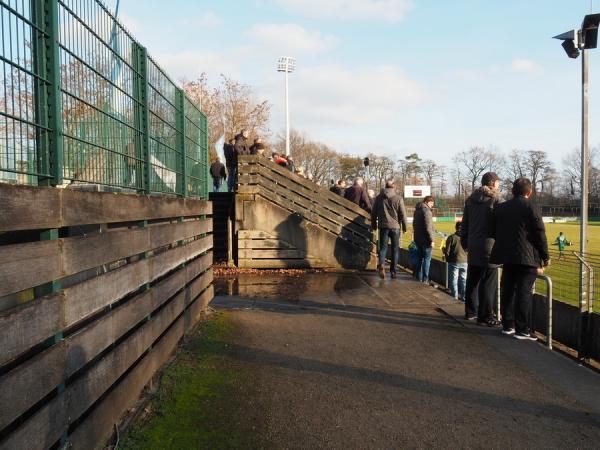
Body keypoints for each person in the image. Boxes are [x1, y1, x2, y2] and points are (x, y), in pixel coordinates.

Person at [490, 178, 550, 340]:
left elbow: (493, 230)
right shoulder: (531, 206)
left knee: (508, 290)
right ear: (529, 192)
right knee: (524, 293)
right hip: (527, 257)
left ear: (512, 191)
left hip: (507, 256)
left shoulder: (501, 207)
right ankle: (522, 329)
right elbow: (539, 233)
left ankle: (508, 325)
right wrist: (545, 256)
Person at [460, 172, 503, 326]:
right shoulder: (496, 199)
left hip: (473, 245)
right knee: (488, 283)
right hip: (490, 246)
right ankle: (485, 316)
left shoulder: (470, 200)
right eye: (497, 182)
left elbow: (464, 224)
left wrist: (465, 243)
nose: (499, 184)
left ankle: (470, 312)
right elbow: (501, 225)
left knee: (472, 280)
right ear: (492, 183)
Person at [371, 180, 409, 279]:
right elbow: (403, 214)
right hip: (395, 227)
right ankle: (393, 271)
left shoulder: (378, 198)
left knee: (383, 248)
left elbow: (373, 213)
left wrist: (374, 225)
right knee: (395, 250)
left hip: (383, 227)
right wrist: (405, 227)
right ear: (394, 187)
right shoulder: (398, 198)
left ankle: (382, 264)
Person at [443, 222, 468, 302]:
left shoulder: (451, 237)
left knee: (454, 280)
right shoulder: (467, 238)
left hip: (454, 262)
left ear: (456, 228)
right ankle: (464, 299)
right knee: (463, 281)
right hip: (465, 262)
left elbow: (447, 251)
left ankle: (455, 297)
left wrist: (447, 259)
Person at [413, 195, 435, 283]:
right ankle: (425, 280)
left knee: (419, 258)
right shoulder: (427, 211)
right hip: (426, 240)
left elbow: (415, 224)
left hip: (418, 239)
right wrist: (432, 240)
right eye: (431, 203)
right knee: (427, 260)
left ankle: (418, 277)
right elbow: (428, 227)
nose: (432, 205)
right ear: (427, 202)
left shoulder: (417, 210)